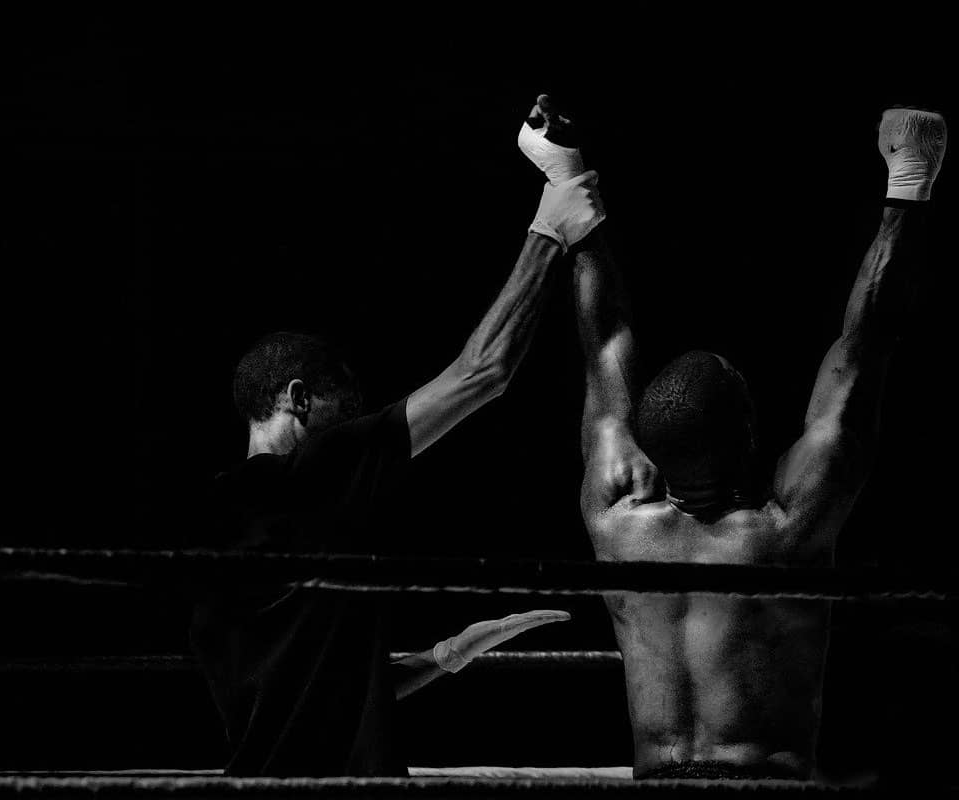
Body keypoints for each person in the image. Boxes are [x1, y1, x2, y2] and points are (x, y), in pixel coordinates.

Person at [525, 94, 946, 780]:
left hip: (656, 783)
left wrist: (566, 178)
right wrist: (909, 184)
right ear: (751, 434)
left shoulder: (616, 520)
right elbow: (866, 348)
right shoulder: (784, 534)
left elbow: (603, 346)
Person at [188, 127, 607, 776]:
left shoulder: (214, 527)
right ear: (299, 401)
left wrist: (443, 656)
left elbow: (308, 690)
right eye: (343, 415)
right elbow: (482, 373)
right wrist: (554, 216)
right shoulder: (319, 470)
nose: (355, 433)